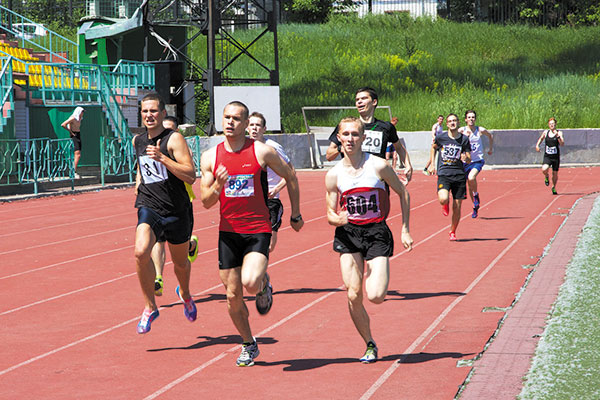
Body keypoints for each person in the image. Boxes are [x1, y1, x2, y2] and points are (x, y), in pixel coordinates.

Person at [199, 101, 304, 367]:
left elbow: (290, 176)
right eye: (226, 117)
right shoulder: (211, 157)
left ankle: (262, 284)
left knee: (249, 281)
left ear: (247, 124)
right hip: (228, 232)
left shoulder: (261, 151)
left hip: (258, 228)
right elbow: (206, 201)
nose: (230, 122)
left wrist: (295, 213)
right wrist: (218, 186)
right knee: (232, 296)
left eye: (236, 118)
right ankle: (248, 343)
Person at [326, 117, 413, 364]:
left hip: (376, 233)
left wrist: (405, 229)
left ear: (364, 138)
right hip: (349, 235)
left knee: (375, 295)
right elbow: (330, 213)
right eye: (346, 134)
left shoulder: (379, 166)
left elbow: (403, 193)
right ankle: (369, 343)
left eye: (355, 134)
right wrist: (338, 220)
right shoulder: (333, 175)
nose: (350, 139)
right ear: (339, 138)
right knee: (353, 295)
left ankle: (373, 268)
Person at [133, 93, 197, 334]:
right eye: (145, 111)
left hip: (177, 209)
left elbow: (190, 174)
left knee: (180, 264)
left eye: (153, 111)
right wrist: (139, 182)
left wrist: (162, 158)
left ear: (162, 113)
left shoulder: (173, 139)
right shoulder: (137, 140)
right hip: (149, 205)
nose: (149, 115)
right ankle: (150, 307)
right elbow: (143, 168)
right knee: (140, 252)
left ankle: (187, 294)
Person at [147, 115, 199, 297]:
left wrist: (164, 158)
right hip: (158, 204)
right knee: (158, 240)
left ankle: (191, 244)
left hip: (182, 203)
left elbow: (189, 173)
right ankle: (158, 278)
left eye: (169, 129)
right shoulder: (150, 148)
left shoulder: (181, 149)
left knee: (179, 251)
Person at [325, 87, 413, 183]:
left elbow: (399, 148)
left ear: (374, 102)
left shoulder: (386, 127)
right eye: (357, 100)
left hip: (377, 181)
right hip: (352, 179)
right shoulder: (347, 127)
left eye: (363, 98)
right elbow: (329, 155)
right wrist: (340, 148)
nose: (359, 102)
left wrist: (408, 165)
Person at [247, 111, 295, 252]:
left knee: (267, 243)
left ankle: (261, 266)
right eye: (251, 125)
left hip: (270, 199)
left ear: (264, 129)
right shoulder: (243, 147)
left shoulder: (273, 147)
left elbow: (291, 172)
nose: (254, 128)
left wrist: (276, 189)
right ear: (246, 127)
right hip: (249, 199)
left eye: (258, 125)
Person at [427, 114, 471, 241]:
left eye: (454, 121)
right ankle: (445, 204)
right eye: (450, 121)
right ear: (447, 124)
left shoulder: (464, 139)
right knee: (443, 199)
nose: (452, 123)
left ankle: (452, 231)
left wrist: (466, 158)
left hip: (459, 176)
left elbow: (469, 158)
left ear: (458, 123)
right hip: (444, 174)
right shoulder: (441, 138)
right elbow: (433, 148)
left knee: (457, 207)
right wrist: (432, 164)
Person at [459, 110, 494, 218]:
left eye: (473, 117)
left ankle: (476, 195)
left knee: (471, 177)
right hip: (465, 161)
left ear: (475, 119)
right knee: (469, 185)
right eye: (469, 117)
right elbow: (454, 139)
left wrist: (490, 148)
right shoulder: (462, 131)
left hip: (477, 160)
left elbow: (490, 136)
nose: (471, 119)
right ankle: (474, 205)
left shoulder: (480, 130)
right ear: (465, 119)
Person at [535, 117, 564, 195]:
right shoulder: (546, 132)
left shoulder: (559, 133)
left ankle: (553, 187)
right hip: (548, 156)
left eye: (553, 124)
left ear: (555, 124)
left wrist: (558, 136)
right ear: (548, 125)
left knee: (555, 173)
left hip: (555, 157)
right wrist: (537, 145)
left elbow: (562, 144)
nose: (552, 125)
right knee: (544, 169)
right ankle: (546, 176)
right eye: (550, 124)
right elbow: (541, 139)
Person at [61, 106, 85, 179]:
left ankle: (74, 170)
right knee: (77, 154)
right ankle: (73, 171)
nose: (83, 113)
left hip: (78, 134)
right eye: (82, 112)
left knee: (78, 154)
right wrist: (70, 132)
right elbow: (63, 124)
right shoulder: (73, 118)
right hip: (74, 135)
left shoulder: (80, 118)